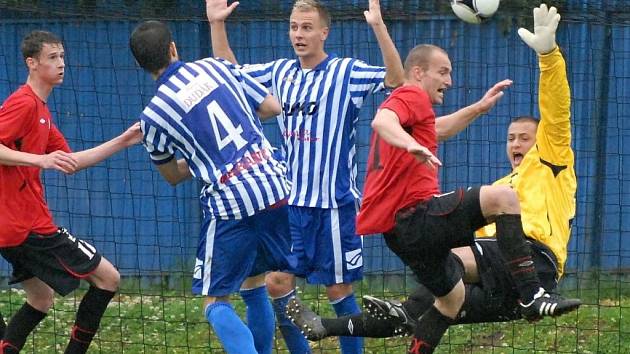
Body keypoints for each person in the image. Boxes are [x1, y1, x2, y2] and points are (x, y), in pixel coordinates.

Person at [286, 3, 581, 349]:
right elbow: (386, 122)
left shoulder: (551, 160)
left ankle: (326, 325)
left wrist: (546, 58)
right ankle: (534, 297)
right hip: (489, 259)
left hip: (526, 262)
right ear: (419, 73)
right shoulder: (412, 97)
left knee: (433, 307)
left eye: (524, 138)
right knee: (498, 202)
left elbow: (555, 110)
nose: (515, 143)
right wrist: (412, 146)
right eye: (511, 137)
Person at [207, 0, 405, 352]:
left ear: (324, 33)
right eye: (295, 27)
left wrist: (378, 25)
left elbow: (396, 79)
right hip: (288, 205)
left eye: (307, 27)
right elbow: (229, 74)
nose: (299, 34)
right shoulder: (281, 72)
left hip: (333, 206)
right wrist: (216, 24)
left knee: (338, 291)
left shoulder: (346, 72)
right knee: (278, 283)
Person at [129, 20, 299, 354]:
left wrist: (206, 158)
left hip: (231, 203)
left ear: (141, 65)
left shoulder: (153, 117)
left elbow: (173, 176)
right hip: (274, 185)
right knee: (254, 285)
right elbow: (271, 107)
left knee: (214, 302)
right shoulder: (215, 66)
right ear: (173, 48)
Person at [0, 30, 142, 354]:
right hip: (28, 225)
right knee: (109, 278)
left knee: (40, 298)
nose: (61, 63)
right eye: (53, 57)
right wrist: (40, 159)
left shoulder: (42, 113)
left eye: (62, 56)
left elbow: (71, 162)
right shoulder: (22, 104)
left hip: (13, 228)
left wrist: (124, 140)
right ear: (32, 63)